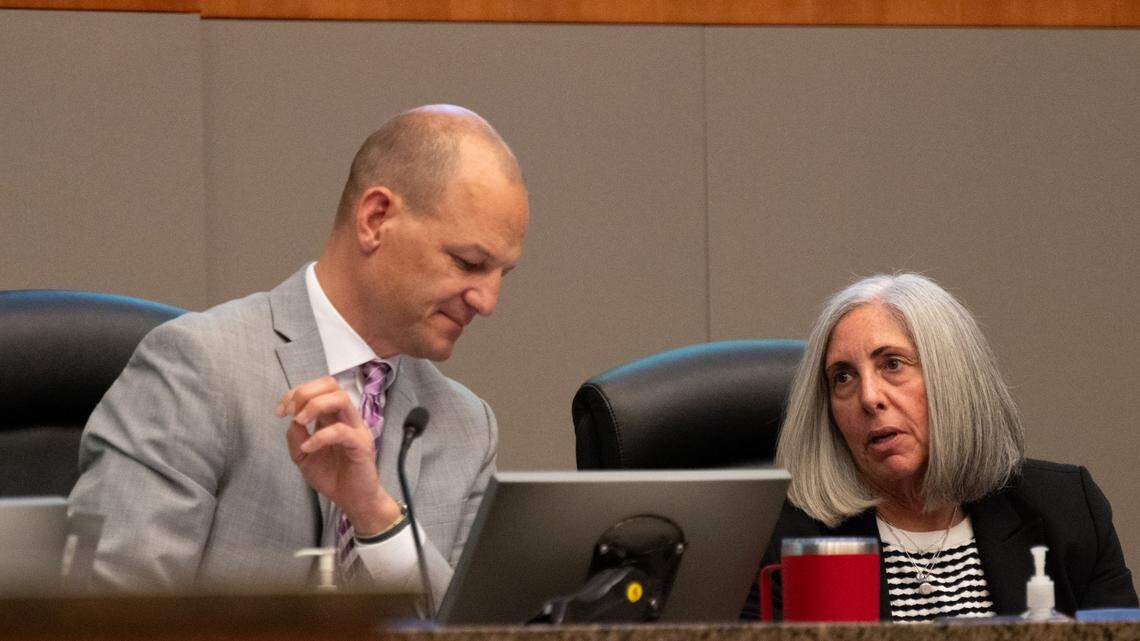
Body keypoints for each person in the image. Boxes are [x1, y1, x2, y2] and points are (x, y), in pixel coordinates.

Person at [68, 105, 529, 605]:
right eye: (469, 263)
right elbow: (106, 615)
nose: (487, 302)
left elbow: (471, 632)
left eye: (500, 275)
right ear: (375, 219)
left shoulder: (465, 426)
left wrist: (375, 514)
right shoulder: (199, 368)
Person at [742, 273, 1136, 622]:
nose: (868, 397)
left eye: (892, 364)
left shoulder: (1065, 509)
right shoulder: (778, 541)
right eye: (842, 377)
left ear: (952, 380)